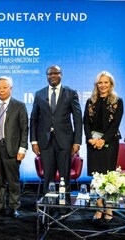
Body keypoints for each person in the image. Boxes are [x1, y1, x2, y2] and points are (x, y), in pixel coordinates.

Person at [30, 65, 82, 194]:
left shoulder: (71, 93)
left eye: (55, 73)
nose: (52, 76)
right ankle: (49, 207)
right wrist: (34, 141)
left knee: (65, 177)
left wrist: (77, 141)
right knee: (48, 177)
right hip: (45, 142)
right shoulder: (39, 94)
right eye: (49, 74)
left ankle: (64, 208)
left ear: (61, 74)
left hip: (65, 141)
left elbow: (78, 119)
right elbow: (33, 119)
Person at [83, 71, 123, 224]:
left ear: (111, 84)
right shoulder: (90, 101)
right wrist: (90, 139)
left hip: (110, 143)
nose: (103, 85)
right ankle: (99, 208)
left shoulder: (117, 101)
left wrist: (103, 140)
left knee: (109, 177)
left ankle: (109, 208)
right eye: (100, 82)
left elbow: (115, 124)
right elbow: (85, 122)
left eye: (106, 82)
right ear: (96, 85)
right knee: (95, 177)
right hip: (93, 143)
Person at [0, 76, 28, 219]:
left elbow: (24, 129)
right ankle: (0, 206)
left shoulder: (19, 106)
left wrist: (23, 148)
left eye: (5, 87)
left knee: (13, 180)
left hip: (12, 148)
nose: (2, 90)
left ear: (11, 88)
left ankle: (14, 207)